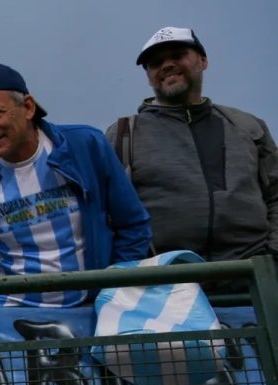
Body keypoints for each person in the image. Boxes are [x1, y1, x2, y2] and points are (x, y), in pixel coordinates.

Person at [0, 63, 151, 306]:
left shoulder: (86, 146)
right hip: (8, 317)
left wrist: (112, 291)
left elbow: (133, 225)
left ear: (28, 107)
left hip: (90, 309)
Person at [106, 26, 278, 265]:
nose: (166, 65)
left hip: (254, 280)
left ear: (203, 61)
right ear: (148, 77)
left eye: (177, 55)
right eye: (155, 63)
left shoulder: (248, 127)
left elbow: (276, 195)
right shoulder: (123, 134)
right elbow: (109, 213)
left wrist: (273, 255)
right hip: (168, 286)